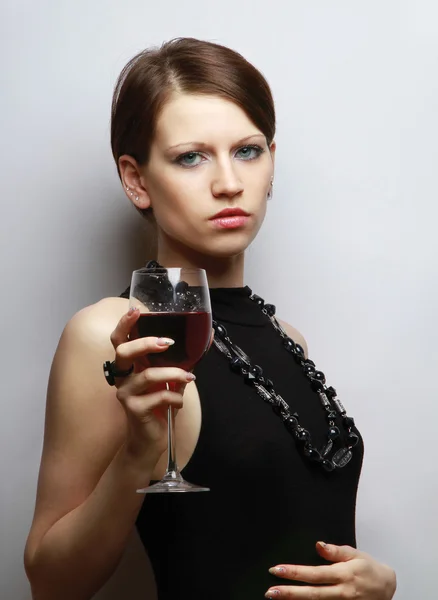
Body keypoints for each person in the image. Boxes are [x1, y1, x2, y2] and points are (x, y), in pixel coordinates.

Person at [24, 37, 397, 600]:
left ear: (273, 159)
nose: (228, 182)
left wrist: (377, 584)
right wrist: (134, 459)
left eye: (247, 150)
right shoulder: (117, 333)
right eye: (190, 157)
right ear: (137, 180)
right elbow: (52, 584)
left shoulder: (285, 337)